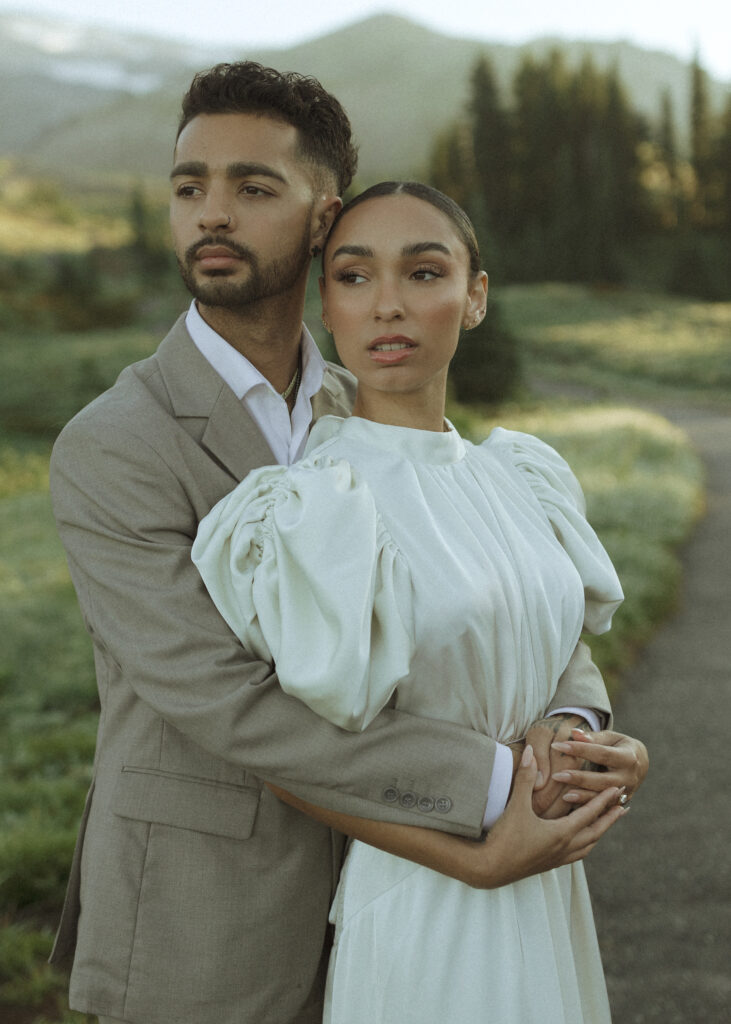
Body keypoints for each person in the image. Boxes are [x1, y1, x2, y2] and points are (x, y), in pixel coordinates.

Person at [48, 62, 646, 1024]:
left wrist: (572, 738)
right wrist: (500, 786)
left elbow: (504, 587)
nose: (211, 214)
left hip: (406, 911)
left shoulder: (365, 405)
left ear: (324, 219)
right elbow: (227, 701)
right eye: (188, 186)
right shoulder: (113, 446)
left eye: (252, 188)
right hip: (212, 918)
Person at [192, 180, 646, 1023]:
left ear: (474, 296)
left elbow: (556, 658)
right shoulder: (307, 508)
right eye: (355, 277)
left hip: (547, 881)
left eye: (424, 273)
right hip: (422, 886)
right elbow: (296, 751)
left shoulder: (521, 475)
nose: (387, 306)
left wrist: (592, 743)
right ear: (324, 304)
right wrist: (475, 854)